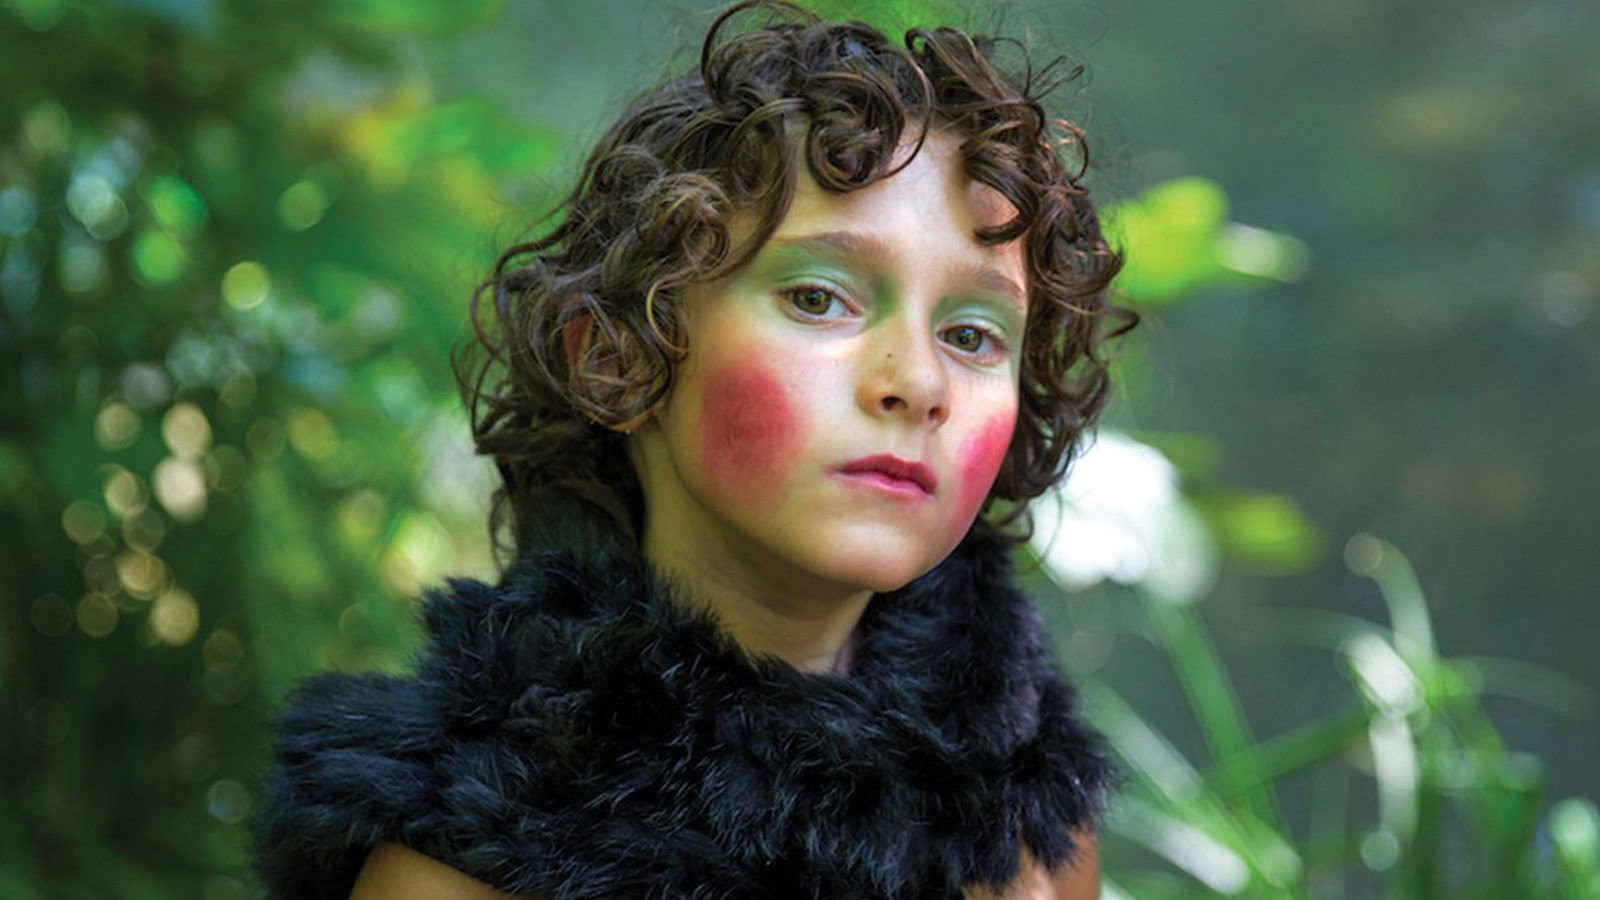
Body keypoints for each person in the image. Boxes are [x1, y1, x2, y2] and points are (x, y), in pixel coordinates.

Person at [252, 2, 1133, 897]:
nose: (918, 379)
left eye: (973, 336)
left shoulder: (1033, 829)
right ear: (619, 356)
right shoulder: (455, 863)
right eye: (818, 298)